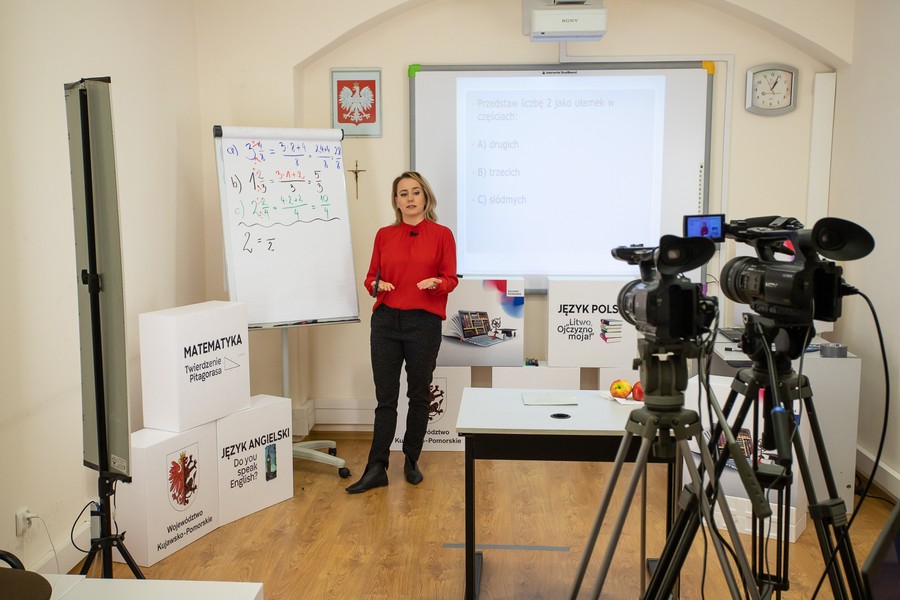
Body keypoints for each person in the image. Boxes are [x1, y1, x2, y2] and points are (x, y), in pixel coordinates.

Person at [346, 171, 458, 494]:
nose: (410, 198)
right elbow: (370, 278)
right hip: (386, 323)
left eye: (415, 192)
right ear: (396, 201)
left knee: (418, 395)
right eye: (403, 193)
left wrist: (437, 283)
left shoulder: (442, 235)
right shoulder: (384, 235)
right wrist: (376, 285)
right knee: (386, 398)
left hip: (423, 323)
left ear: (426, 197)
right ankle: (376, 467)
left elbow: (451, 278)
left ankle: (411, 458)